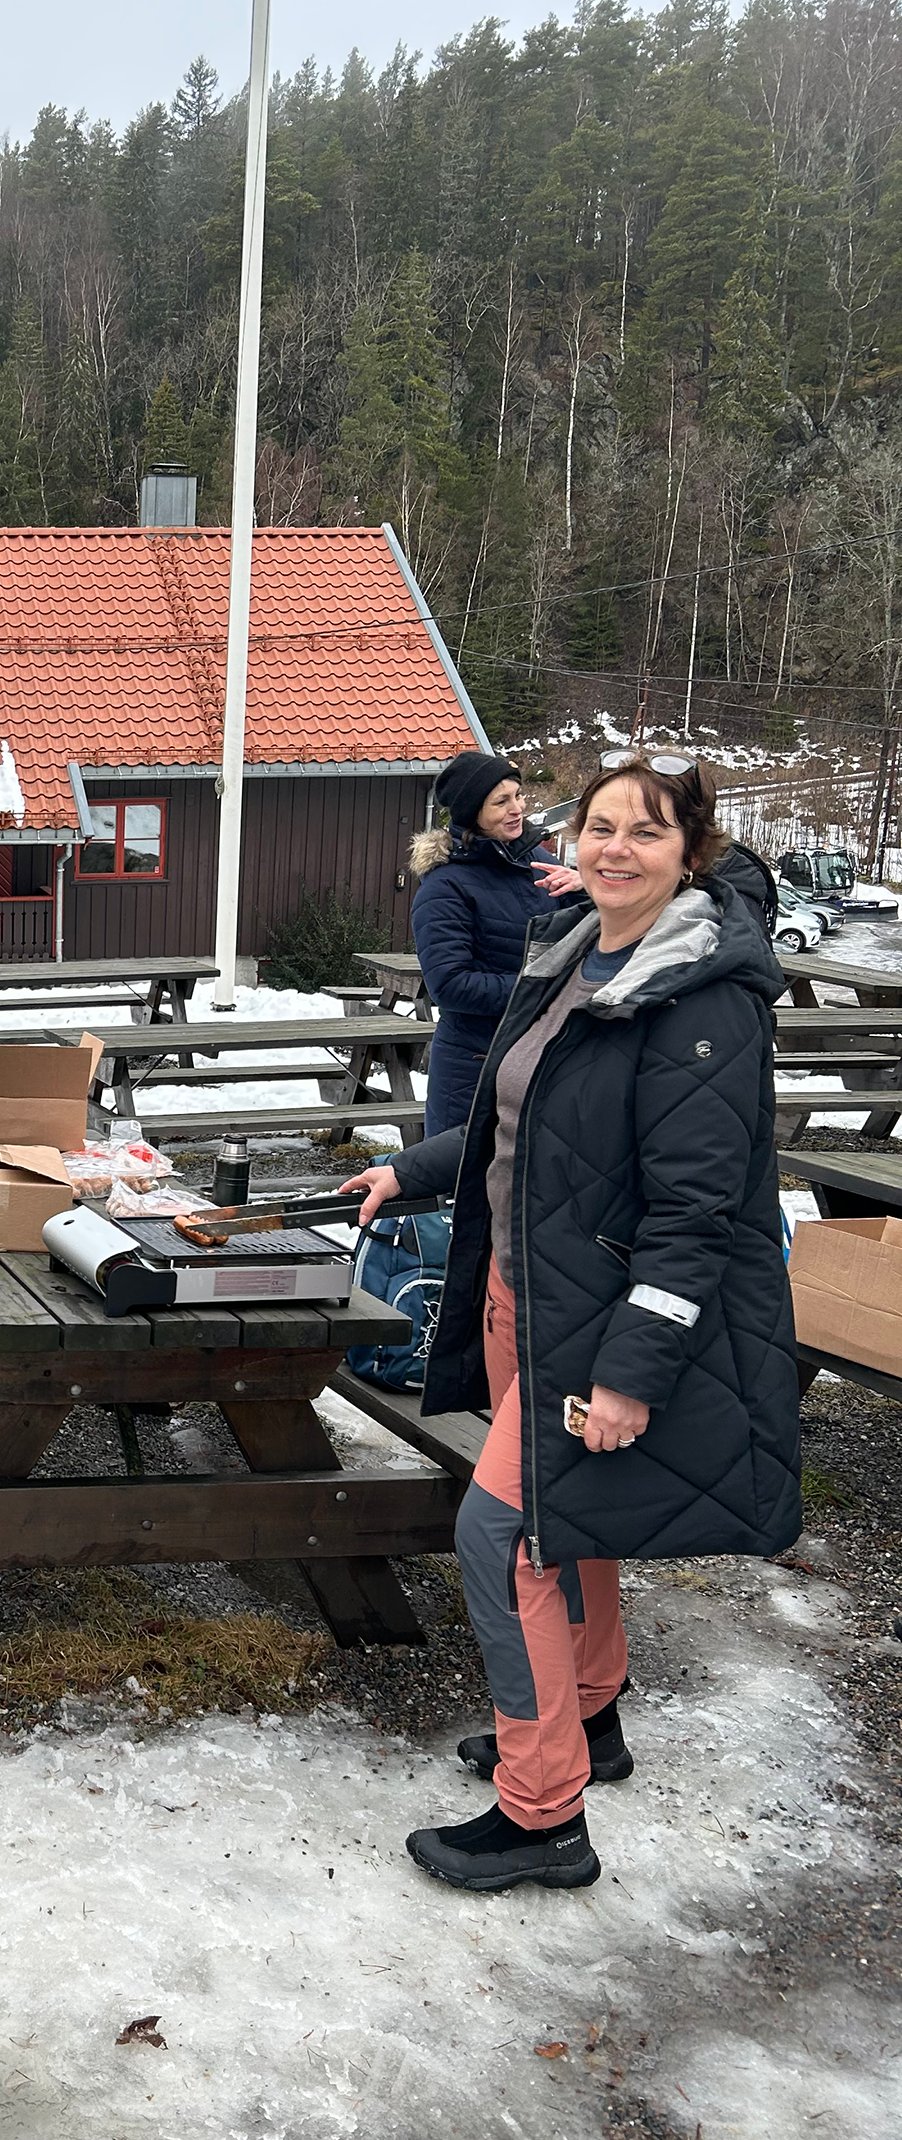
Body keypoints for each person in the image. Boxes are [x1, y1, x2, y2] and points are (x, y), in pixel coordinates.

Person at [340, 753, 800, 1892]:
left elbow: (695, 1215)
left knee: (500, 1537)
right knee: (570, 1523)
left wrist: (632, 1373)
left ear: (688, 853)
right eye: (596, 825)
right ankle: (586, 1719)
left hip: (593, 1329)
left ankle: (541, 1813)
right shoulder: (576, 958)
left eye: (642, 831)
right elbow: (525, 1127)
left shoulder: (699, 998)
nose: (611, 848)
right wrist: (410, 1168)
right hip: (519, 1303)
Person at [409, 750, 582, 1134]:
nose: (517, 808)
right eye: (501, 801)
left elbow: (597, 931)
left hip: (542, 1055)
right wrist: (542, 988)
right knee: (466, 1183)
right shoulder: (444, 887)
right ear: (473, 812)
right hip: (474, 1066)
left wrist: (590, 889)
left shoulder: (537, 861)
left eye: (518, 796)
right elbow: (451, 986)